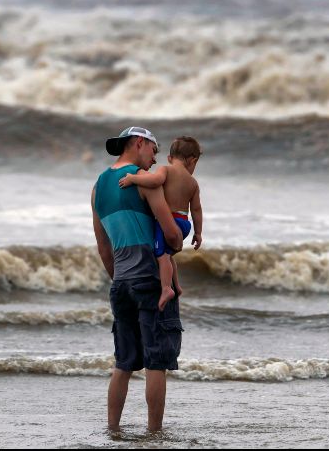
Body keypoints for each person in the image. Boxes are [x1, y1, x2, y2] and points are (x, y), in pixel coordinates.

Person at [91, 126, 184, 432]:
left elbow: (103, 247)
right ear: (140, 143)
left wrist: (120, 280)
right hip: (150, 280)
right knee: (156, 361)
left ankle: (113, 428)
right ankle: (154, 432)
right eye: (153, 150)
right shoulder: (146, 183)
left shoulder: (97, 188)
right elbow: (171, 233)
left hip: (120, 284)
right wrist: (178, 242)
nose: (154, 159)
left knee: (123, 363)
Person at [118, 136, 203, 311]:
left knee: (161, 256)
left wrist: (133, 179)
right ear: (192, 160)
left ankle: (166, 289)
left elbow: (154, 181)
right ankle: (176, 286)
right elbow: (196, 210)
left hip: (169, 221)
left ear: (170, 158)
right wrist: (198, 233)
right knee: (168, 255)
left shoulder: (166, 169)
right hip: (184, 223)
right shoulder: (193, 183)